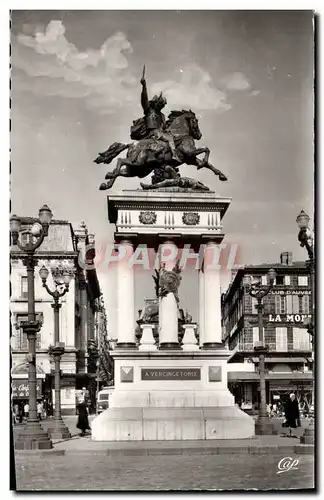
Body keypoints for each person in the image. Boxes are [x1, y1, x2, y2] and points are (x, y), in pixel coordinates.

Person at [138, 71, 180, 162]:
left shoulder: (162, 116)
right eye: (159, 104)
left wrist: (168, 130)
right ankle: (174, 156)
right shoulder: (149, 111)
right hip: (154, 134)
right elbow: (144, 99)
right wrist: (144, 86)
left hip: (161, 133)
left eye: (162, 106)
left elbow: (164, 128)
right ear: (155, 103)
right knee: (170, 139)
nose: (161, 106)